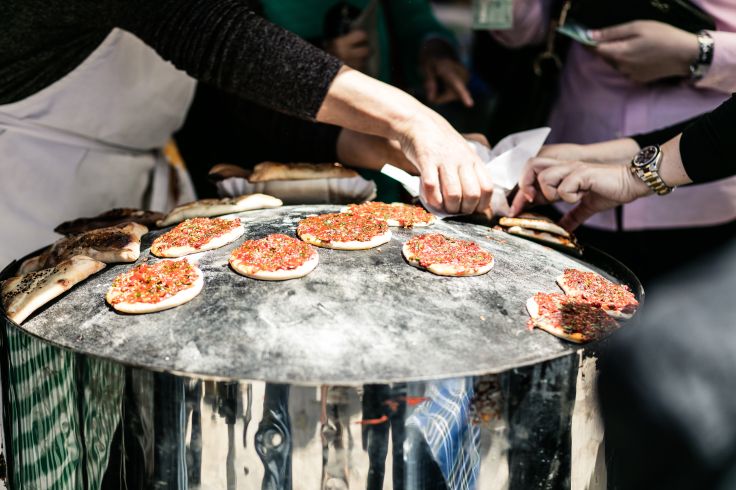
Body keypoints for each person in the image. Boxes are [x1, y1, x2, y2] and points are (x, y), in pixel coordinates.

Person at [0, 0, 493, 268]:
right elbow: (220, 41)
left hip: (132, 187)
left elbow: (234, 108)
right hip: (30, 189)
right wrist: (412, 120)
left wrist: (393, 151)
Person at [491, 0, 736, 282]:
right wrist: (614, 161)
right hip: (572, 171)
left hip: (700, 199)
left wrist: (702, 53)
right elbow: (516, 28)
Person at [252, 0, 474, 201]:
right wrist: (322, 57)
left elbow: (415, 19)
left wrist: (436, 53)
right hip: (283, 156)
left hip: (380, 156)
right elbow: (242, 50)